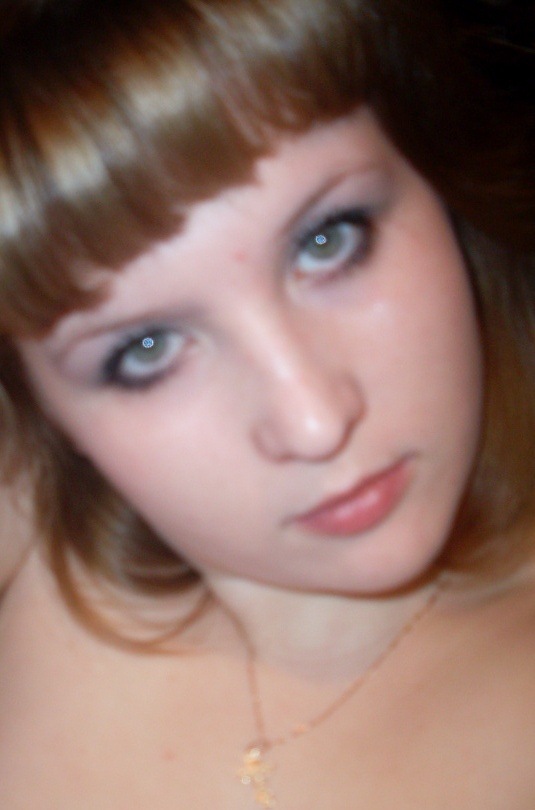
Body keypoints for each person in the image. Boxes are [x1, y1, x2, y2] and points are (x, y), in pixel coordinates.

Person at [0, 0, 534, 806]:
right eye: (145, 349)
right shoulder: (39, 529)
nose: (314, 422)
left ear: (433, 171)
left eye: (329, 239)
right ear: (42, 405)